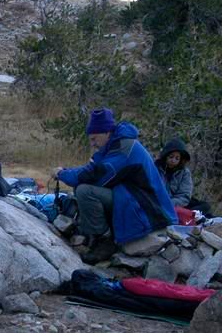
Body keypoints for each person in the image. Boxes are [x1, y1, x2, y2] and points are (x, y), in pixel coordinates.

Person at [54, 108, 177, 264]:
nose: (92, 144)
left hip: (149, 209)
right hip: (133, 199)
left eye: (94, 139)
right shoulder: (114, 145)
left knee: (85, 191)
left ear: (107, 132)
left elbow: (96, 176)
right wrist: (65, 172)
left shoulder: (124, 148)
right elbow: (90, 169)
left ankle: (105, 241)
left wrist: (62, 174)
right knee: (85, 189)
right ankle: (95, 234)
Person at [155, 138, 214, 217]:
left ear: (181, 160)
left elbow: (184, 196)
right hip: (160, 202)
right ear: (165, 156)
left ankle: (187, 215)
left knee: (205, 206)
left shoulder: (184, 173)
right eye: (171, 157)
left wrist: (171, 203)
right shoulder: (155, 168)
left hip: (176, 203)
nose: (173, 160)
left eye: (177, 158)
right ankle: (187, 215)